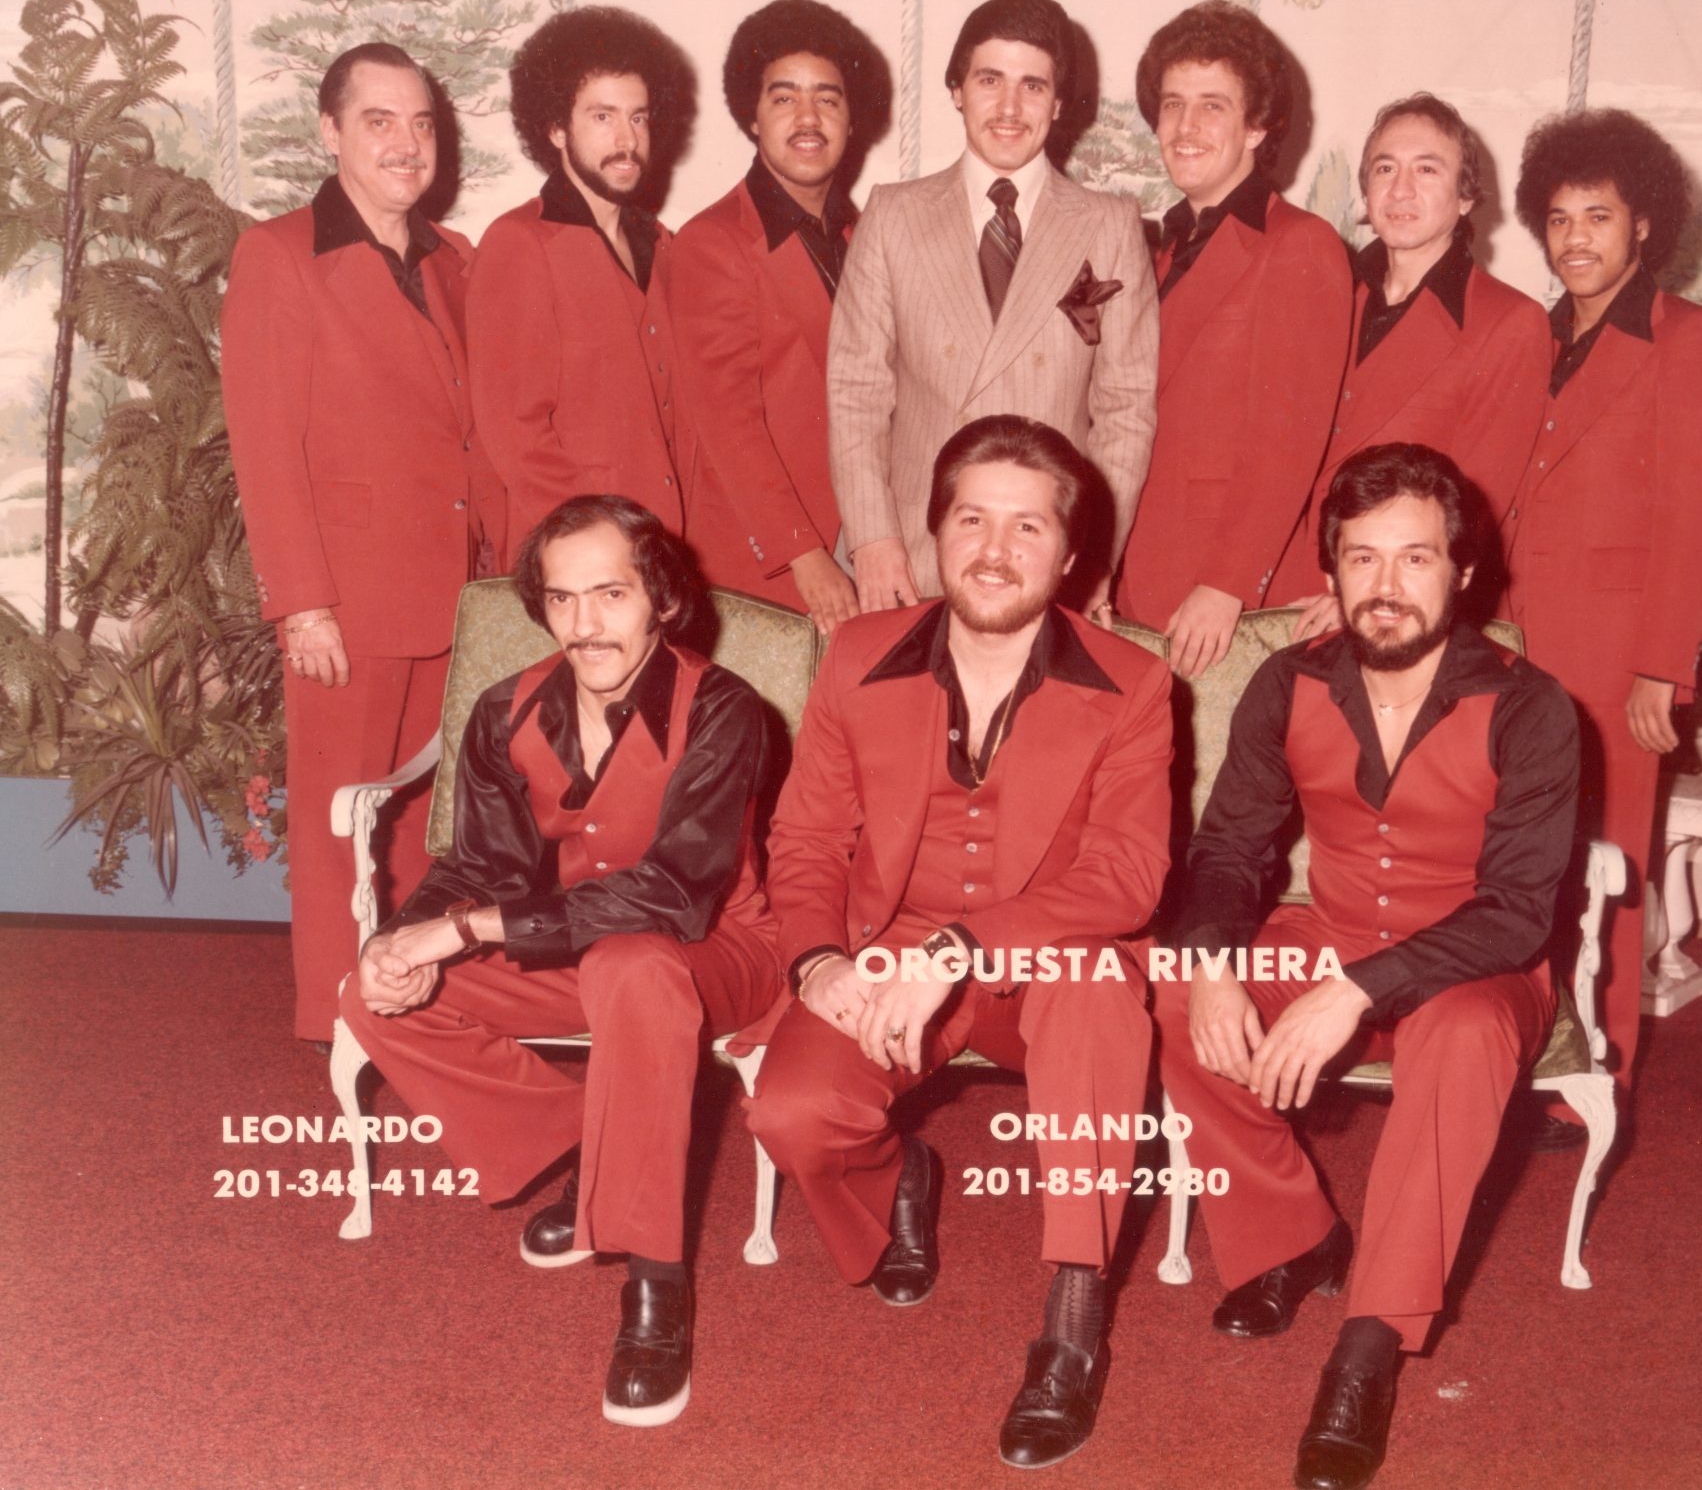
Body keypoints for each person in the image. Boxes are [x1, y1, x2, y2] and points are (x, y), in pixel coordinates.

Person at [748, 417, 1172, 1470]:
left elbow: (1126, 878)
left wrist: (960, 948)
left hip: (1050, 965)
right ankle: (899, 1174)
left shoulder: (1135, 682)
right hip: (884, 953)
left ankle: (1073, 1317)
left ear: (1070, 555)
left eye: (1028, 527)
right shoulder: (857, 655)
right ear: (934, 531)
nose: (994, 550)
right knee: (792, 1115)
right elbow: (805, 839)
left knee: (1093, 986)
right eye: (971, 519)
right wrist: (819, 961)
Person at [1153, 443, 1578, 1490]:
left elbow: (1516, 914)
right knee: (1176, 989)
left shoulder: (1531, 706)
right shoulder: (1288, 680)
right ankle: (1290, 1240)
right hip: (1335, 931)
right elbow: (1228, 849)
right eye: (1362, 559)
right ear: (1331, 572)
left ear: (1461, 571)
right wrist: (1214, 966)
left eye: (1414, 558)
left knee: (1461, 1032)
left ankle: (1369, 1344)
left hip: (1477, 967)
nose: (1386, 586)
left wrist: (1352, 991)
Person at [338, 494, 783, 1428]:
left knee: (634, 966)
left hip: (718, 951)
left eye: (611, 594)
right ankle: (595, 1141)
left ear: (662, 598)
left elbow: (675, 894)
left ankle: (657, 1286)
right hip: (582, 950)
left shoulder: (726, 710)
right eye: (562, 598)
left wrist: (465, 930)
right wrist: (401, 940)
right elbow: (481, 868)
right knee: (375, 998)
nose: (585, 624)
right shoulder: (507, 711)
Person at [221, 41, 506, 1041]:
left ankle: (413, 1004)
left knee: (429, 821)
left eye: (422, 123)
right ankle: (337, 1016)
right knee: (338, 817)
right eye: (379, 121)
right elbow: (265, 444)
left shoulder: (453, 256)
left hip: (456, 594)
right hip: (346, 602)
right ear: (330, 132)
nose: (406, 143)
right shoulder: (278, 255)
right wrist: (301, 602)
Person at [1501, 108, 1702, 1099]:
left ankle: (1594, 1069)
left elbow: (1697, 517)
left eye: (1596, 217)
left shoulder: (1689, 339)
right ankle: (1512, 1050)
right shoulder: (1532, 335)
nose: (1574, 239)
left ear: (1642, 223)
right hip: (1511, 646)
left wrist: (1660, 665)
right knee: (1512, 864)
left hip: (1613, 663)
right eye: (1558, 219)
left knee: (1606, 868)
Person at [828, 0, 1158, 615]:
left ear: (1058, 103)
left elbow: (1125, 412)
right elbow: (855, 394)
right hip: (914, 554)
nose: (1009, 108)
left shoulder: (1109, 225)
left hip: (1045, 559)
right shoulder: (894, 214)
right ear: (957, 90)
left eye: (1033, 86)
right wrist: (871, 539)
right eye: (989, 80)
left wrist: (1094, 560)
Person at [1116, 0, 1351, 677]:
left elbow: (1288, 440)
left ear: (1257, 126)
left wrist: (1228, 582)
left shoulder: (1300, 244)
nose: (1185, 127)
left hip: (1225, 595)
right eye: (1172, 104)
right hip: (1142, 573)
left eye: (1212, 106)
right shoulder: (1157, 252)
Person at [1274, 93, 1551, 635]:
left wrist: (1362, 594)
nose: (1401, 190)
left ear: (1465, 197)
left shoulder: (1509, 321)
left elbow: (1473, 505)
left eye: (1427, 169)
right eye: (1385, 169)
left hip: (1390, 608)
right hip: (1283, 589)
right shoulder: (1324, 296)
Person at [669, 0, 877, 630]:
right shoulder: (712, 242)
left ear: (851, 117)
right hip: (773, 561)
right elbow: (726, 419)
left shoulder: (865, 234)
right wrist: (802, 554)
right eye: (784, 98)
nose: (808, 119)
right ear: (752, 116)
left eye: (828, 99)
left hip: (867, 543)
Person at [469, 6, 692, 553]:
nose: (627, 139)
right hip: (574, 556)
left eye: (638, 117)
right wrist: (598, 545)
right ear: (555, 128)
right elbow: (516, 435)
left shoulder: (663, 243)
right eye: (602, 117)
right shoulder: (520, 243)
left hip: (664, 552)